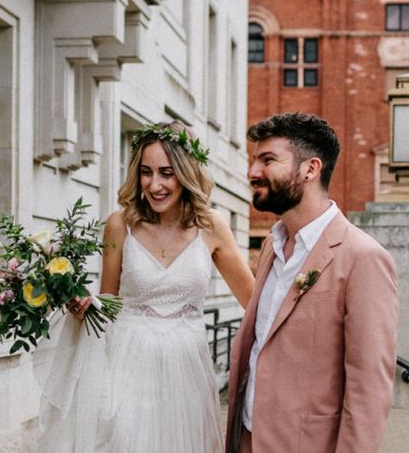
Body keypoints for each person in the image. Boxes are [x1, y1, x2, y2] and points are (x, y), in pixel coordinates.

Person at [39, 121, 254, 453]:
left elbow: (254, 303)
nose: (155, 185)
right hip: (127, 366)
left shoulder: (211, 226)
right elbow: (108, 302)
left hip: (188, 372)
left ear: (186, 173)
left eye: (167, 173)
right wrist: (84, 303)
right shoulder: (119, 225)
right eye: (146, 172)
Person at [226, 112, 398, 453]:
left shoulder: (363, 258)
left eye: (267, 160)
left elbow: (369, 391)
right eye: (253, 160)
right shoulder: (271, 247)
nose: (252, 172)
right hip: (246, 439)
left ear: (310, 168)